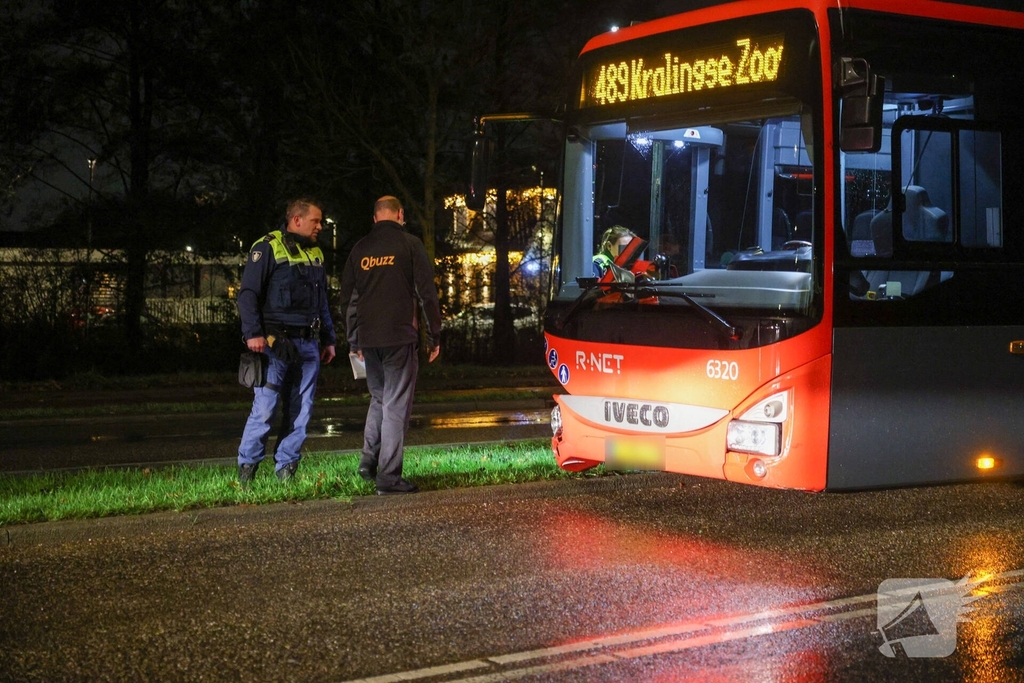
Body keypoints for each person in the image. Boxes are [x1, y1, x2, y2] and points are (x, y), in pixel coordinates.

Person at [340, 195, 442, 495]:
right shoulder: (410, 245)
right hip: (399, 338)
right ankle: (389, 476)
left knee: (380, 399)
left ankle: (368, 461)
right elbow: (427, 294)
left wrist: (353, 339)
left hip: (369, 341)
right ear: (400, 214)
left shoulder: (359, 249)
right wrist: (434, 335)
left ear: (375, 218)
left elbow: (349, 299)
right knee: (396, 405)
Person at [236, 198, 337, 488]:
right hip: (274, 345)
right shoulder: (267, 246)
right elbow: (248, 295)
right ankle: (247, 470)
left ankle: (286, 469)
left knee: (301, 411)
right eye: (315, 221)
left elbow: (322, 302)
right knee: (265, 408)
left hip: (308, 345)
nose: (320, 226)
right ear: (296, 220)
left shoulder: (315, 253)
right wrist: (253, 333)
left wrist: (329, 338)